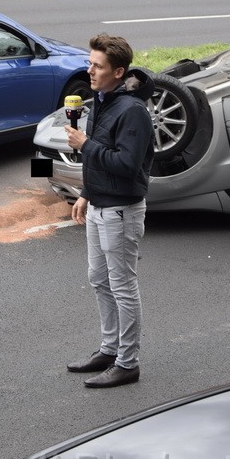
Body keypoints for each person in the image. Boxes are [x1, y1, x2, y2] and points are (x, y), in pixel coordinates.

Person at [65, 34, 155, 388]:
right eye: (90, 63)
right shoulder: (102, 100)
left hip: (121, 210)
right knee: (98, 280)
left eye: (97, 66)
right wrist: (86, 192)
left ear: (118, 72)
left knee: (122, 285)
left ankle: (128, 362)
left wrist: (85, 145)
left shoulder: (132, 111)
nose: (89, 70)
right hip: (100, 203)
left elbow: (128, 164)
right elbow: (104, 153)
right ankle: (109, 349)